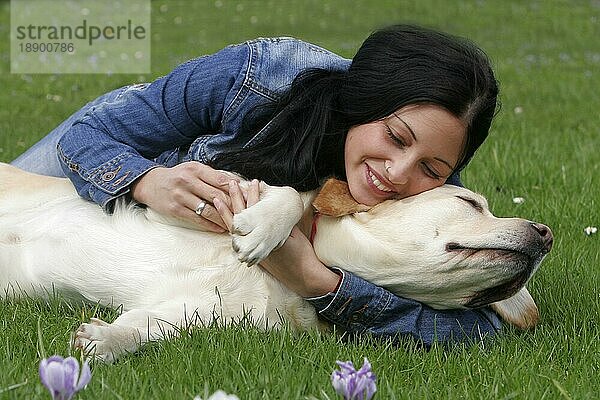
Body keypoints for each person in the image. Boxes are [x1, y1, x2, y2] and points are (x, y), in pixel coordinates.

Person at [12, 25, 501, 347]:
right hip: (119, 156)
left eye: (433, 169)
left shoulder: (436, 200)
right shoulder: (261, 75)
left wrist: (320, 284)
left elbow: (479, 331)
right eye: (395, 137)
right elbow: (90, 137)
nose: (398, 174)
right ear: (362, 101)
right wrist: (146, 181)